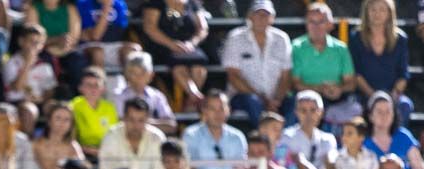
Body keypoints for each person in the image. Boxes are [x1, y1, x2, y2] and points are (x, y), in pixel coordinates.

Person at [220, 0, 292, 128]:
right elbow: (233, 77)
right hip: (243, 97)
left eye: (266, 15)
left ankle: (283, 138)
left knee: (297, 102)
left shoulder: (282, 39)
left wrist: (276, 101)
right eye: (257, 14)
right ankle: (265, 135)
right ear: (250, 16)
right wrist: (262, 99)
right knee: (252, 101)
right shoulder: (235, 37)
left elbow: (286, 76)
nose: (261, 18)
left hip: (275, 98)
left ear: (272, 18)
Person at [291, 3, 357, 127]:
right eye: (312, 22)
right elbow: (295, 83)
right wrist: (320, 89)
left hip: (336, 99)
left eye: (321, 21)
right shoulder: (296, 47)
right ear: (306, 24)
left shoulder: (341, 49)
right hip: (305, 99)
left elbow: (350, 83)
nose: (316, 26)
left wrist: (339, 89)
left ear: (330, 25)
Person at [351, 0, 413, 123]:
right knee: (354, 109)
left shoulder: (401, 39)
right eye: (373, 9)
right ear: (366, 12)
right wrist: (373, 96)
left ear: (390, 13)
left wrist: (392, 95)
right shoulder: (356, 37)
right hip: (363, 94)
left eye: (382, 10)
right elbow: (356, 74)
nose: (377, 14)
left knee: (405, 105)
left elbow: (403, 75)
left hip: (391, 94)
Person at [141, 0, 209, 111]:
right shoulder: (155, 3)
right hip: (163, 46)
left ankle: (191, 102)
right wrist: (171, 44)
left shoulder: (192, 3)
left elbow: (203, 28)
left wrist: (192, 43)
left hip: (189, 47)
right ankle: (194, 97)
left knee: (199, 68)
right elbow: (150, 28)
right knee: (179, 67)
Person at [97, 96, 165, 169]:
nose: (135, 125)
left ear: (148, 120)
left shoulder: (157, 138)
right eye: (131, 119)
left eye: (141, 120)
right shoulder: (111, 137)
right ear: (124, 118)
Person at [22, 100, 83, 169]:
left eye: (67, 120)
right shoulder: (39, 145)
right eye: (58, 118)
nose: (62, 123)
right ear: (49, 121)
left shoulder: (73, 145)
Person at [112, 51, 176, 134]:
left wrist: (143, 123)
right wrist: (147, 122)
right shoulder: (119, 96)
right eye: (133, 73)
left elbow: (171, 125)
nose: (138, 77)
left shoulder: (157, 96)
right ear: (127, 75)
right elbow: (120, 125)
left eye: (142, 73)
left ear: (151, 75)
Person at [26, 0, 84, 90]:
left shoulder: (70, 9)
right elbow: (32, 38)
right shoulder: (34, 9)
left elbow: (74, 37)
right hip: (43, 50)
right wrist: (55, 41)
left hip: (67, 49)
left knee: (77, 61)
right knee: (45, 62)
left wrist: (63, 45)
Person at [2, 24, 58, 106]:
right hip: (16, 103)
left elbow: (49, 91)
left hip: (38, 104)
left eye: (39, 43)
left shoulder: (45, 66)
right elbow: (17, 88)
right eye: (31, 41)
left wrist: (41, 99)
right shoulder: (10, 62)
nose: (35, 46)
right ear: (21, 41)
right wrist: (28, 63)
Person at [70, 66, 117, 157]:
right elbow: (70, 139)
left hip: (107, 152)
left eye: (96, 85)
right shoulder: (73, 106)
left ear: (103, 88)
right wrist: (91, 150)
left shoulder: (110, 107)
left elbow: (114, 135)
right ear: (80, 88)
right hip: (80, 153)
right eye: (88, 85)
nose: (93, 89)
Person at [75, 0, 135, 70]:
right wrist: (106, 8)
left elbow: (119, 33)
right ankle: (99, 79)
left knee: (130, 51)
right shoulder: (83, 3)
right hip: (90, 46)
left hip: (113, 45)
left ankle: (130, 80)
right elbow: (95, 36)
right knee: (98, 53)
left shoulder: (119, 4)